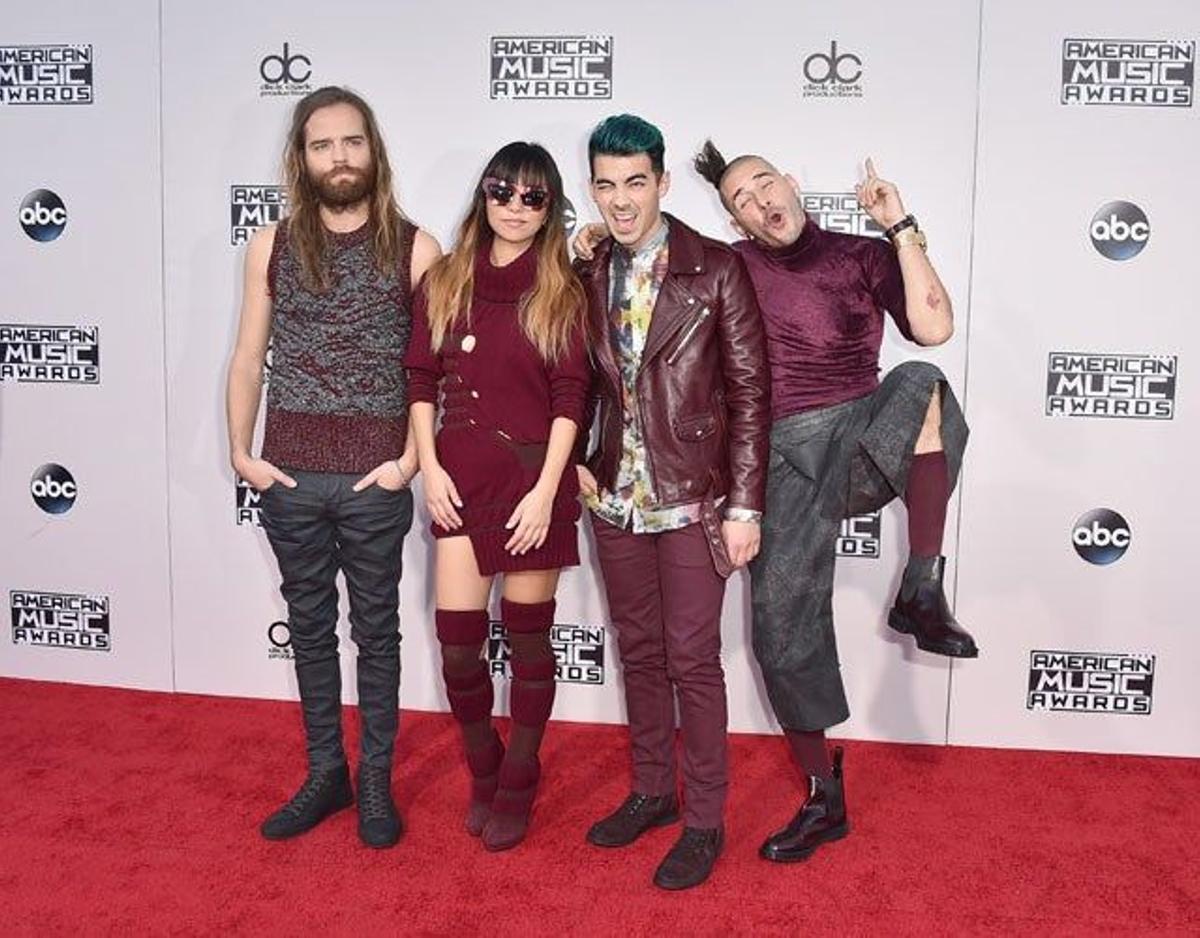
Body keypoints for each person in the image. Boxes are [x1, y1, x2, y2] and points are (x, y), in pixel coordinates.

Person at [691, 141, 975, 863]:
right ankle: (824, 795)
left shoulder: (859, 253)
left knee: (922, 379)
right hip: (776, 459)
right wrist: (593, 239)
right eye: (740, 203)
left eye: (763, 185)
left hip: (856, 440)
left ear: (791, 181)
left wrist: (900, 224)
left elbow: (935, 327)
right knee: (781, 630)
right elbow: (649, 257)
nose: (759, 203)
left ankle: (921, 588)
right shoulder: (728, 265)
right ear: (735, 221)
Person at [225, 85, 440, 848]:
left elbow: (430, 369)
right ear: (302, 157)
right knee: (310, 631)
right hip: (287, 476)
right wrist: (241, 455)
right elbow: (250, 356)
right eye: (323, 145)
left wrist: (409, 462)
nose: (339, 157)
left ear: (372, 150)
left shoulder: (418, 248)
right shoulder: (271, 245)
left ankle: (375, 784)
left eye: (351, 142)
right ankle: (327, 775)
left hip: (373, 480)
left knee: (376, 634)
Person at [574, 115, 770, 890]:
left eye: (634, 183)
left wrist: (745, 506)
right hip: (616, 502)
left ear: (660, 181)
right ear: (592, 188)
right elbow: (583, 382)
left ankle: (704, 821)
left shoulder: (717, 269)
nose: (620, 202)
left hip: (693, 497)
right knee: (640, 653)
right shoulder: (589, 271)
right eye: (605, 185)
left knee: (693, 661)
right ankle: (654, 792)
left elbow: (751, 394)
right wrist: (582, 468)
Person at [404, 142, 589, 852]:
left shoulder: (563, 289)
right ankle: (483, 762)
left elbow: (573, 396)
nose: (515, 206)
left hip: (533, 483)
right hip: (461, 479)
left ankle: (520, 775)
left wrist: (548, 491)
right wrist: (430, 465)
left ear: (549, 210)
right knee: (458, 648)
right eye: (502, 191)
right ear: (483, 196)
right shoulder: (446, 279)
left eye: (533, 197)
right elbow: (421, 378)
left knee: (529, 638)